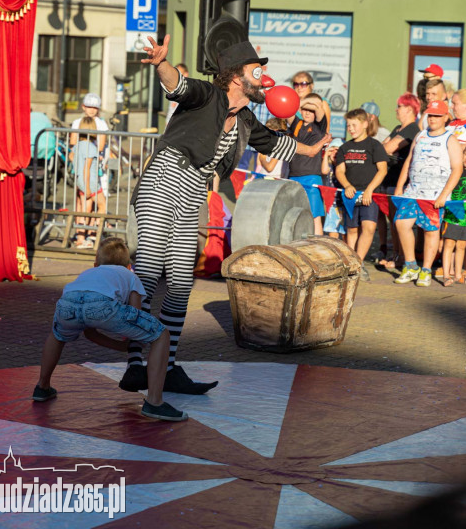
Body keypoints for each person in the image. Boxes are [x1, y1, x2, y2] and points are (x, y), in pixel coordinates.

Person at [119, 37, 331, 395]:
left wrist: (311, 147)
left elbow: (272, 143)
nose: (265, 78)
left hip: (191, 192)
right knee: (150, 269)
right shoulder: (208, 95)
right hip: (164, 179)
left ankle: (167, 368)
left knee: (182, 284)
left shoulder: (246, 117)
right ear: (235, 77)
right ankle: (134, 364)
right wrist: (160, 64)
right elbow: (178, 85)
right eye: (257, 71)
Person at [32, 237, 187, 422]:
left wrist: (119, 347)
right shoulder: (130, 275)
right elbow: (135, 313)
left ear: (96, 262)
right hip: (102, 304)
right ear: (129, 265)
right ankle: (154, 402)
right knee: (161, 334)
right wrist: (131, 339)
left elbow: (90, 332)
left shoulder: (89, 273)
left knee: (57, 336)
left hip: (68, 303)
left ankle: (42, 386)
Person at [394, 100, 463, 287]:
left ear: (445, 117)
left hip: (435, 195)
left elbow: (457, 169)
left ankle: (425, 270)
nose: (432, 119)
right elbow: (409, 161)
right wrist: (400, 186)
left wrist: (443, 195)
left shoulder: (450, 139)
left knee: (431, 230)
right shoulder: (420, 135)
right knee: (401, 223)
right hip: (413, 191)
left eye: (437, 115)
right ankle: (410, 265)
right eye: (430, 115)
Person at [335, 109, 388, 277]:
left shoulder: (375, 145)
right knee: (351, 230)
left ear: (365, 124)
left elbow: (382, 170)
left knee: (369, 227)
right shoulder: (345, 147)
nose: (351, 128)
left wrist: (370, 190)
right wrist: (347, 185)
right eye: (348, 125)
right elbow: (339, 171)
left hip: (369, 195)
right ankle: (352, 263)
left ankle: (358, 262)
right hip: (350, 195)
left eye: (354, 125)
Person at [376, 93, 421, 268]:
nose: (396, 109)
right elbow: (382, 149)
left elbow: (388, 147)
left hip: (400, 182)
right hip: (389, 179)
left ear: (409, 109)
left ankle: (402, 257)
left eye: (399, 106)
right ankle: (396, 255)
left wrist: (387, 150)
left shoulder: (411, 130)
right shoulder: (397, 128)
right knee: (392, 221)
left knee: (399, 222)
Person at [287, 93, 328, 235]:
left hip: (311, 178)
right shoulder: (296, 124)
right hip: (293, 177)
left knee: (315, 216)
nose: (307, 112)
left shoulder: (319, 126)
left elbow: (319, 107)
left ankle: (317, 247)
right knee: (294, 216)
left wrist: (310, 103)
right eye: (305, 109)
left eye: (310, 110)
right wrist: (302, 104)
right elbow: (290, 109)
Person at [441, 142, 466, 286]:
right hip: (452, 211)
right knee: (449, 243)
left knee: (462, 245)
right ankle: (446, 275)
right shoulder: (455, 170)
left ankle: (458, 274)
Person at [74, 117, 107, 248]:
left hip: (80, 181)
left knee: (85, 210)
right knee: (102, 206)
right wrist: (88, 187)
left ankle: (81, 238)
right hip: (91, 182)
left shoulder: (77, 146)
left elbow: (74, 160)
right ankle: (95, 234)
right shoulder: (91, 147)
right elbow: (87, 169)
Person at [70, 93, 109, 192]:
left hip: (95, 157)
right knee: (80, 185)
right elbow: (73, 141)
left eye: (95, 107)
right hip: (81, 156)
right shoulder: (77, 122)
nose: (92, 110)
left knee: (95, 183)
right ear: (83, 107)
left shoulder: (101, 123)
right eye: (89, 107)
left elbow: (101, 145)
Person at [321, 138, 345, 239]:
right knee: (333, 231)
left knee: (345, 232)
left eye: (338, 150)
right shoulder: (329, 166)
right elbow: (324, 171)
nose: (335, 152)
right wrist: (326, 155)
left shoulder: (345, 166)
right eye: (333, 150)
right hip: (332, 204)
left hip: (344, 202)